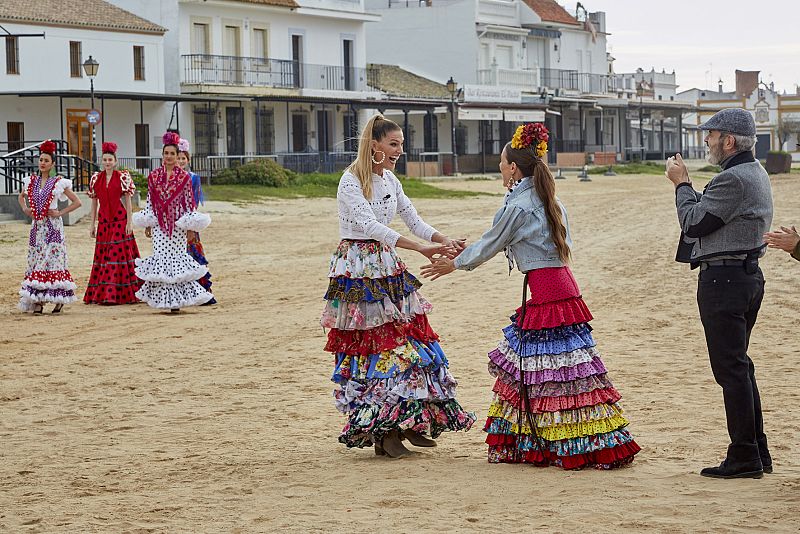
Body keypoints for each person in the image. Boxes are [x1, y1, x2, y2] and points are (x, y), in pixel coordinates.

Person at [421, 123, 640, 469]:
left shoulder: (520, 205)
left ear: (513, 168)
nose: (499, 167)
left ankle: (561, 445)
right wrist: (469, 249)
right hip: (563, 286)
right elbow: (502, 239)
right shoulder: (548, 199)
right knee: (566, 370)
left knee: (547, 371)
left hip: (548, 292)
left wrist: (454, 263)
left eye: (502, 163)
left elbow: (492, 244)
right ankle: (573, 440)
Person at [321, 113, 475, 458]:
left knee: (408, 339)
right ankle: (384, 431)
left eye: (401, 144)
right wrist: (420, 248)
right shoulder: (350, 181)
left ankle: (407, 419)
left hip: (388, 264)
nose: (399, 150)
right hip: (358, 268)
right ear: (374, 145)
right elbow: (370, 225)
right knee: (375, 345)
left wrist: (443, 239)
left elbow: (413, 219)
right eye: (393, 144)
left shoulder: (390, 180)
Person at [665, 108, 773, 479]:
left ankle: (745, 456)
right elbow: (709, 214)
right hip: (745, 276)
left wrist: (681, 185)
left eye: (711, 135)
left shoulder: (734, 179)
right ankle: (757, 451)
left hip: (725, 280)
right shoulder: (753, 172)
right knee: (740, 365)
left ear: (728, 140)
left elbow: (694, 223)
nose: (707, 141)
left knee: (731, 370)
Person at [133, 132, 214, 312]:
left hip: (177, 226)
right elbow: (150, 201)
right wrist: (147, 223)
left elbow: (189, 204)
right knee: (161, 259)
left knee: (177, 260)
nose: (169, 157)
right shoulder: (154, 176)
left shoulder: (184, 178)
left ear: (178, 157)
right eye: (166, 153)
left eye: (172, 154)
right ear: (162, 155)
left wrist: (191, 227)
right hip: (159, 227)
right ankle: (165, 300)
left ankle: (176, 301)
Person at [18, 140, 82, 314]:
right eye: (41, 160)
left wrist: (60, 213)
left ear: (52, 164)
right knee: (37, 260)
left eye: (46, 160)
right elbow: (21, 197)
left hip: (53, 227)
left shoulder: (58, 182)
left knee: (52, 261)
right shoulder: (31, 181)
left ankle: (57, 299)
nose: (43, 163)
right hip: (37, 227)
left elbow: (77, 202)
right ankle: (38, 300)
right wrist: (25, 209)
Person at [84, 141, 142, 304]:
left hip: (119, 220)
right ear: (102, 161)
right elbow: (94, 202)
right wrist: (92, 224)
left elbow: (128, 201)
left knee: (116, 255)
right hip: (103, 222)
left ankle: (116, 294)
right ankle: (105, 293)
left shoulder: (123, 177)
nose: (107, 163)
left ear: (115, 161)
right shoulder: (96, 178)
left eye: (110, 160)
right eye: (105, 160)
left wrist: (130, 222)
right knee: (104, 256)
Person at [177, 138, 216, 304]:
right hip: (172, 221)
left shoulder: (193, 178)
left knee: (192, 252)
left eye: (183, 158)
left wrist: (189, 223)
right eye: (177, 158)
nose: (180, 161)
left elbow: (193, 202)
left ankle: (198, 289)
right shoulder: (168, 177)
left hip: (188, 220)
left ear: (188, 160)